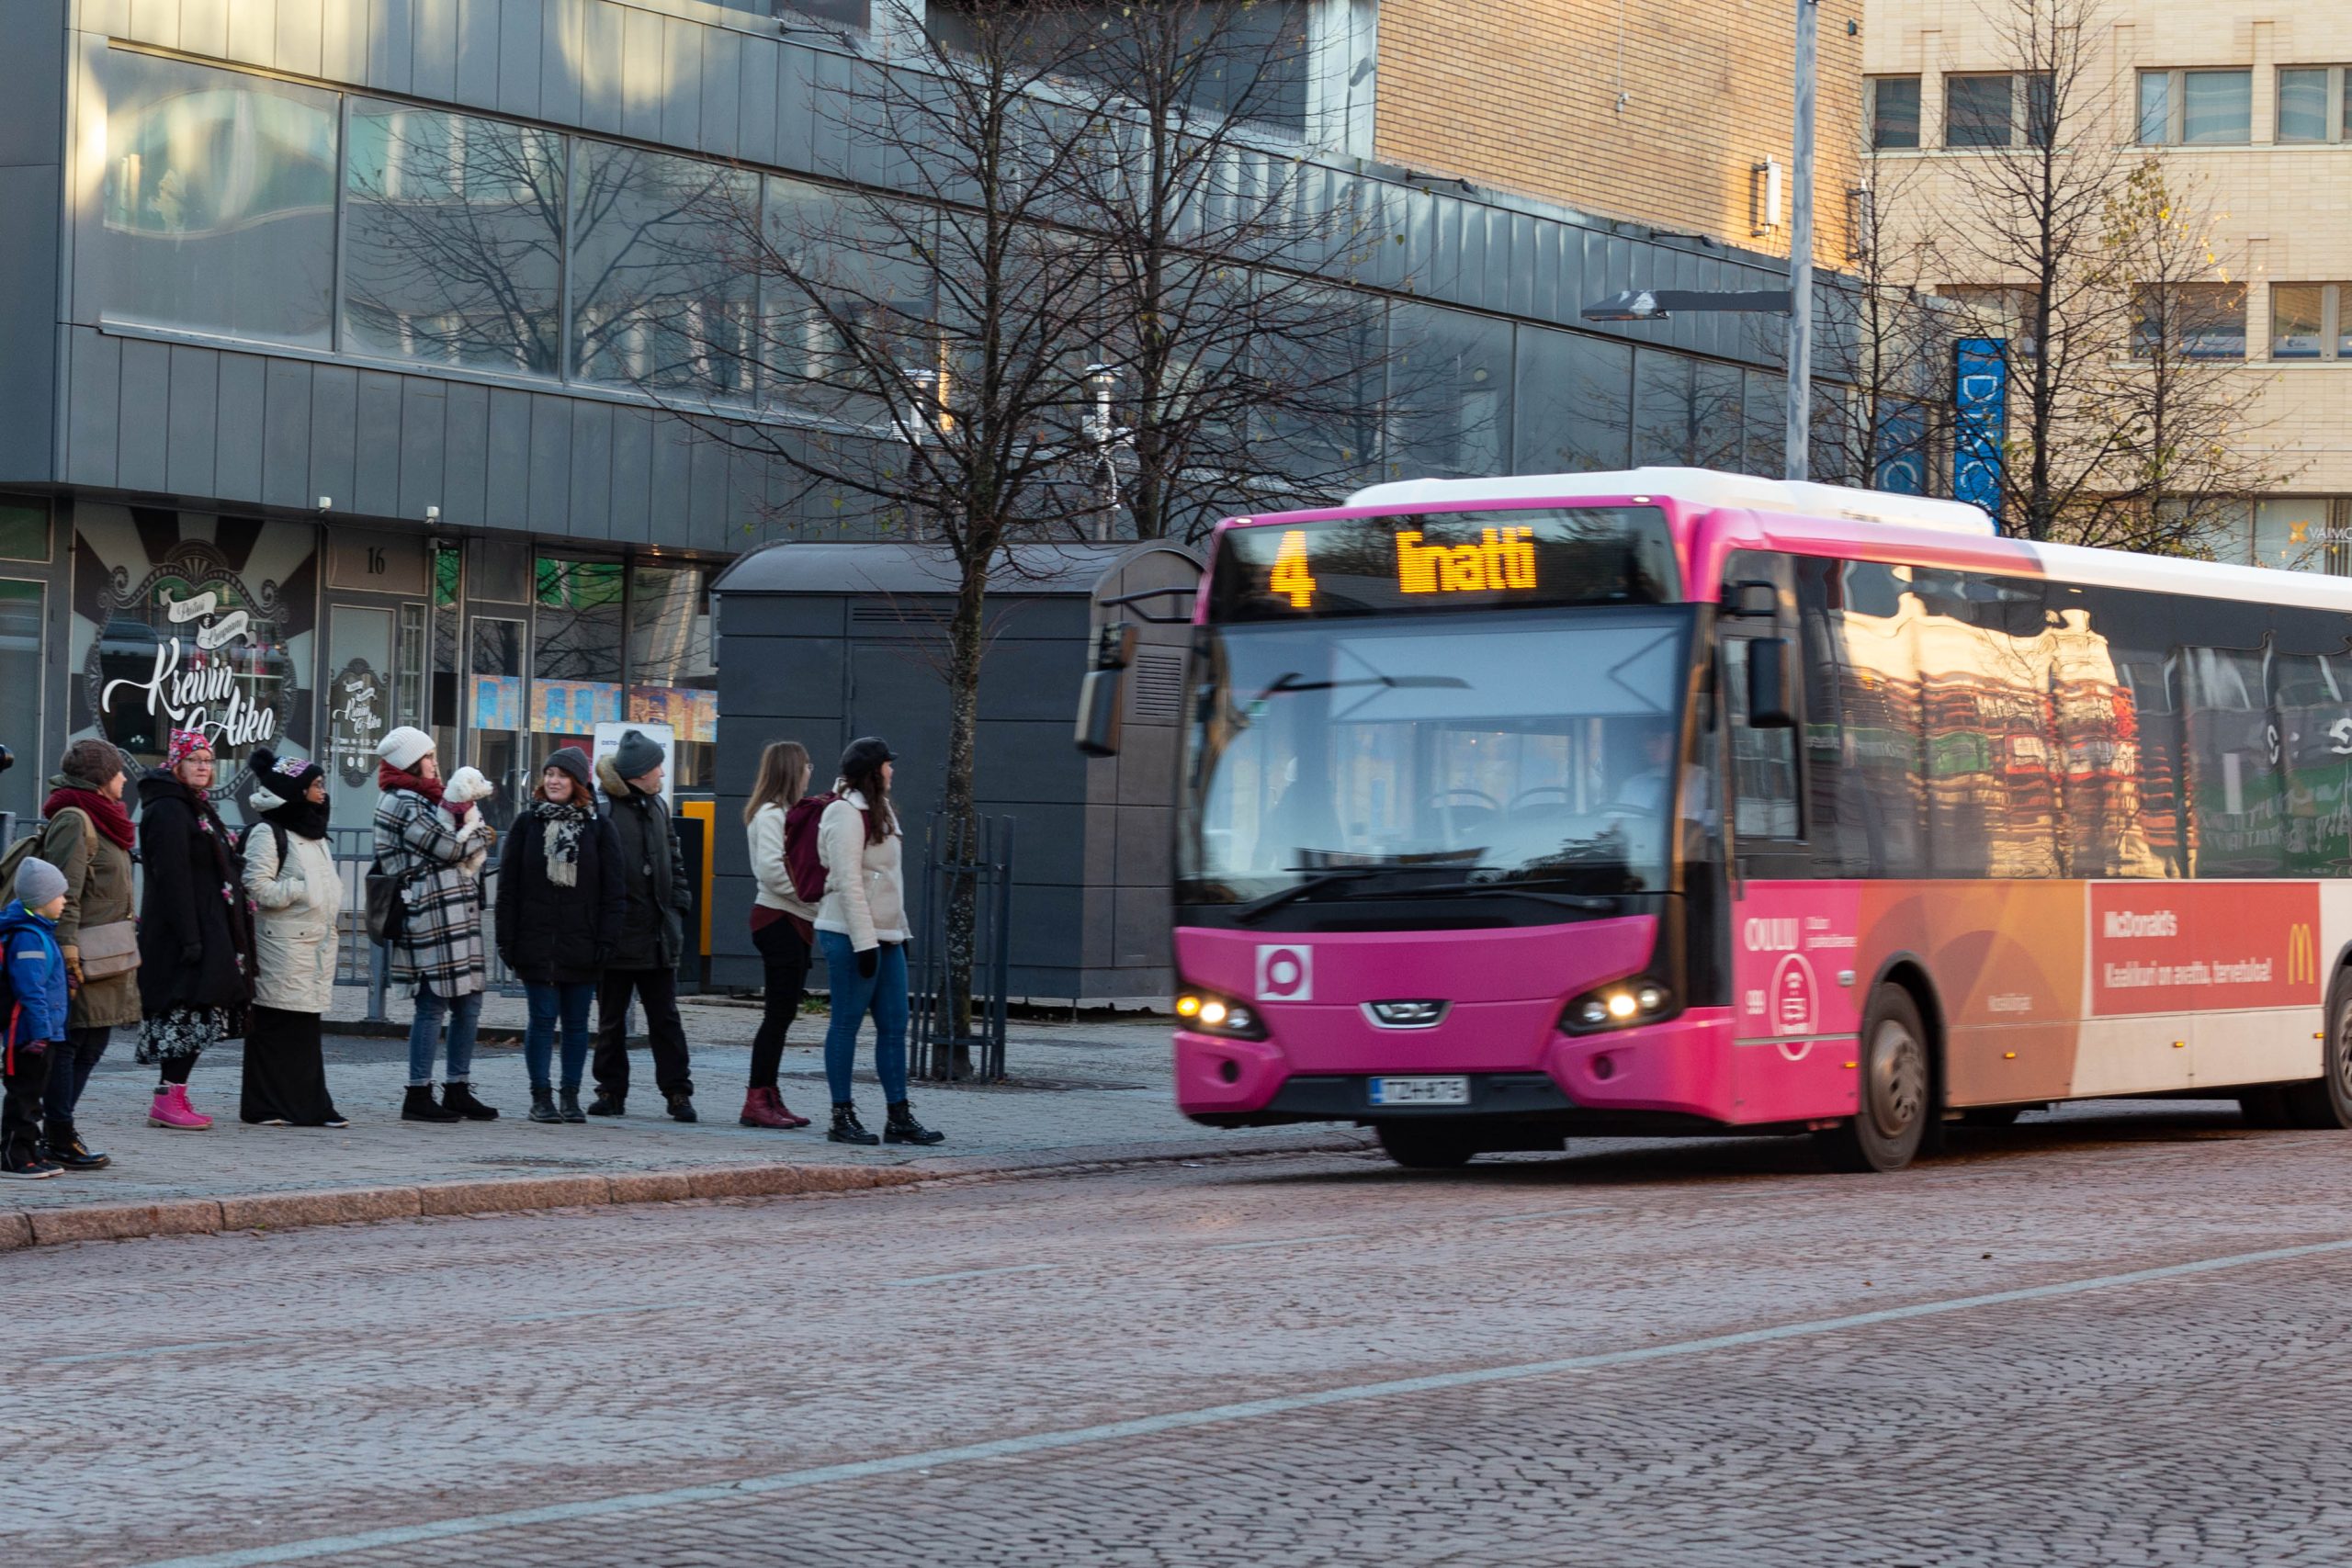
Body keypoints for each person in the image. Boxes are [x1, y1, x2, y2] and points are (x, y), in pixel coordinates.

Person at [814, 737, 942, 1147]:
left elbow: (890, 882)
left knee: (894, 1026)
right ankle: (841, 1116)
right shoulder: (844, 812)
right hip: (848, 934)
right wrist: (865, 943)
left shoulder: (881, 810)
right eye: (888, 764)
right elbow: (849, 881)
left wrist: (899, 934)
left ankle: (899, 1117)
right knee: (846, 1024)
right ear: (873, 771)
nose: (893, 770)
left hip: (885, 936)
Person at [374, 726, 497, 1123]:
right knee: (432, 1005)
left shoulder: (429, 799)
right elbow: (450, 847)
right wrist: (482, 833)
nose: (436, 764)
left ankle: (457, 1087)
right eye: (428, 757)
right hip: (428, 916)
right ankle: (418, 1092)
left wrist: (472, 836)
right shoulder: (401, 802)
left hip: (455, 915)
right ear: (410, 762)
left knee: (469, 1003)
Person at [136, 731, 257, 1130]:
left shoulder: (195, 806)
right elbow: (171, 877)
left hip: (205, 926)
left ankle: (174, 1095)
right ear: (176, 763)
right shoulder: (170, 809)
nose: (204, 767)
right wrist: (190, 937)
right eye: (195, 760)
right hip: (181, 933)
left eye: (208, 759)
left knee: (196, 1015)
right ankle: (168, 1099)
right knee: (183, 1014)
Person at [496, 747, 623, 1124]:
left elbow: (614, 892)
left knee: (576, 1024)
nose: (553, 780)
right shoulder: (526, 824)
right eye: (549, 773)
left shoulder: (600, 828)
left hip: (582, 942)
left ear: (578, 783)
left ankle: (570, 1095)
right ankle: (541, 1097)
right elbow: (508, 889)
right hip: (535, 941)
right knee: (541, 1018)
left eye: (562, 775)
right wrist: (507, 939)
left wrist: (606, 940)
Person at [37, 739, 140, 1170]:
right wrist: (68, 954)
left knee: (91, 1041)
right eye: (117, 772)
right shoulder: (76, 819)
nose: (123, 779)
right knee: (70, 1043)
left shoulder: (106, 818)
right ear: (100, 779)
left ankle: (55, 1128)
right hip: (82, 955)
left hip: (108, 954)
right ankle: (57, 1133)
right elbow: (63, 894)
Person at [589, 730, 697, 1122]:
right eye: (656, 766)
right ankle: (610, 1091)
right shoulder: (603, 810)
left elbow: (675, 857)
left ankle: (677, 1093)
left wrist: (678, 906)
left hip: (657, 934)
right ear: (638, 773)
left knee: (665, 1018)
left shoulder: (658, 807)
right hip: (618, 935)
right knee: (611, 1019)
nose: (662, 773)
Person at [239, 749, 347, 1128]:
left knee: (304, 1029)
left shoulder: (313, 833)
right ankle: (265, 1106)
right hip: (281, 943)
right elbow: (255, 888)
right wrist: (301, 889)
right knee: (275, 1026)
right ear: (296, 791)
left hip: (313, 942)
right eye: (316, 786)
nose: (323, 792)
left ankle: (308, 1104)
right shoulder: (268, 833)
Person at [741, 740, 817, 1131]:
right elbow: (773, 871)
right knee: (777, 1015)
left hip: (795, 919)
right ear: (791, 769)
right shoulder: (771, 815)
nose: (810, 772)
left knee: (783, 1015)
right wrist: (811, 895)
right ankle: (757, 1099)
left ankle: (768, 1094)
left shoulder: (788, 813)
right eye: (806, 766)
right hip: (779, 918)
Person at [0, 859, 72, 1179]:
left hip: (44, 1033)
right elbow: (30, 989)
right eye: (61, 896)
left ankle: (29, 1151)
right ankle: (13, 1156)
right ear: (42, 900)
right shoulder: (29, 936)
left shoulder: (41, 932)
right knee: (24, 1097)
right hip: (29, 1035)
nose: (65, 901)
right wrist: (42, 1031)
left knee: (33, 1096)